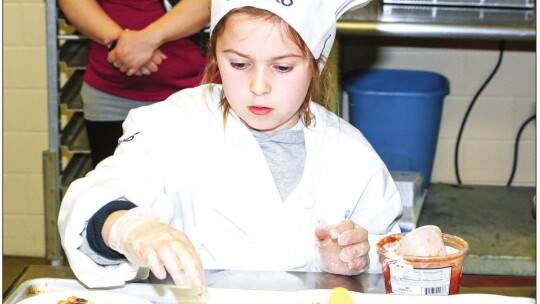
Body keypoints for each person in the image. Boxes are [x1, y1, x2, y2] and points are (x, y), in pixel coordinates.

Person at [58, 0, 403, 298]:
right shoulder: (172, 126)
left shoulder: (352, 156)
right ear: (215, 55)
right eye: (239, 64)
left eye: (283, 67)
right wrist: (130, 228)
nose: (258, 86)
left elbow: (390, 257)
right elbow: (99, 196)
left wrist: (357, 259)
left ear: (316, 65)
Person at [58, 0, 210, 167]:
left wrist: (145, 41)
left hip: (194, 94)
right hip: (111, 96)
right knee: (114, 187)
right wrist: (121, 45)